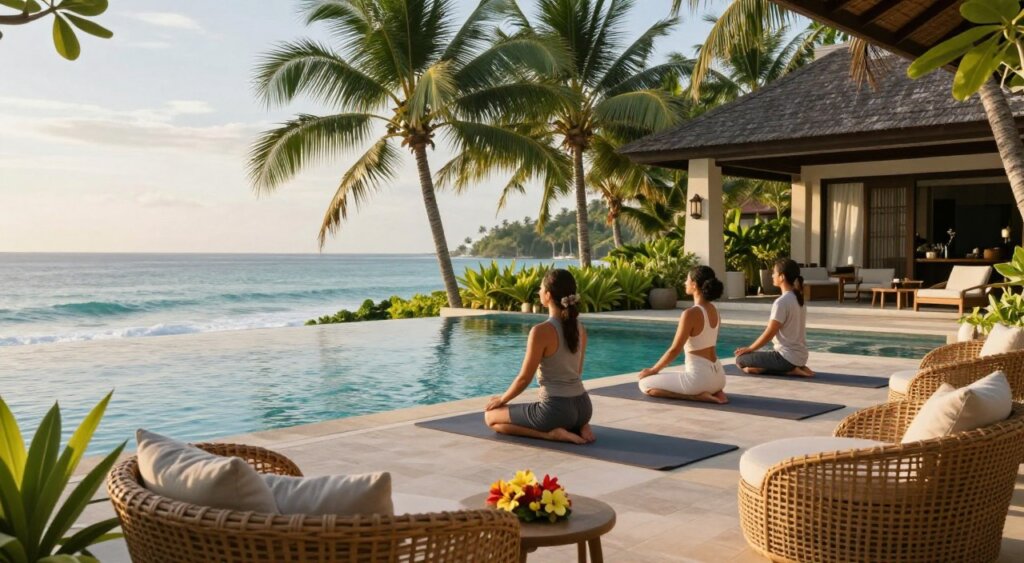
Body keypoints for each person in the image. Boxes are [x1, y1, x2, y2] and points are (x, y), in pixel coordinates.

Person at [484, 268, 594, 444]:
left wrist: (502, 399)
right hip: (584, 407)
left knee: (491, 418)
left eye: (541, 289)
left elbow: (524, 379)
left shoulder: (541, 331)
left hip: (556, 411)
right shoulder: (579, 328)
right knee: (561, 414)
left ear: (548, 295)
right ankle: (579, 426)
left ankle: (551, 434)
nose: (539, 292)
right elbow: (577, 372)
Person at [637, 266, 728, 404]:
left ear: (694, 284)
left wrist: (653, 370)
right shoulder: (715, 310)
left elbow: (675, 349)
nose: (684, 283)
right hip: (719, 378)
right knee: (675, 376)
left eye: (687, 280)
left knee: (644, 384)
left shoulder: (690, 314)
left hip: (699, 381)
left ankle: (697, 396)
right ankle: (713, 390)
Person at [734, 258, 814, 377]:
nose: (772, 276)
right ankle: (794, 368)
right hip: (801, 357)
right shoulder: (799, 299)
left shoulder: (781, 302)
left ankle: (789, 370)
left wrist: (750, 349)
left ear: (782, 277)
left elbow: (770, 332)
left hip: (786, 358)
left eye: (774, 273)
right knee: (753, 367)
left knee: (740, 360)